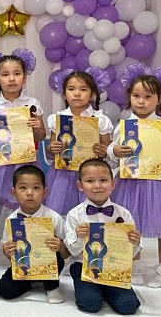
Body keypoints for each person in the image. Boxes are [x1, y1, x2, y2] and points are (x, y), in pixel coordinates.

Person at [108, 64, 161, 288]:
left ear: (159, 99)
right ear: (129, 97)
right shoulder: (122, 127)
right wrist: (114, 151)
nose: (141, 101)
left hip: (159, 184)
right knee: (130, 225)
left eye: (148, 96)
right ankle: (133, 265)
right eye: (136, 96)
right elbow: (112, 157)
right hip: (130, 183)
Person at [0, 49, 46, 239]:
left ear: (25, 77)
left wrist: (36, 127)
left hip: (24, 160)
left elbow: (41, 135)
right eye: (5, 74)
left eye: (17, 73)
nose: (12, 79)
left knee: (23, 200)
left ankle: (19, 240)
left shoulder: (32, 103)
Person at [65, 159, 141, 315]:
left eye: (103, 180)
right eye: (90, 181)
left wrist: (135, 242)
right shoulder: (74, 215)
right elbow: (73, 252)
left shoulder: (124, 214)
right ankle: (94, 290)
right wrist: (78, 237)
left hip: (114, 267)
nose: (97, 185)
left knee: (129, 306)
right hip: (83, 266)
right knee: (90, 303)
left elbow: (131, 254)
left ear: (113, 184)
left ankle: (106, 289)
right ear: (80, 185)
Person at [0, 165, 68, 304]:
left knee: (57, 255)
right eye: (23, 188)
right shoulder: (11, 220)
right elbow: (9, 254)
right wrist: (6, 251)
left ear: (45, 192)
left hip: (48, 266)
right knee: (4, 290)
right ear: (13, 192)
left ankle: (51, 286)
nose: (29, 193)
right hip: (23, 265)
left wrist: (61, 246)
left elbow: (65, 255)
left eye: (36, 188)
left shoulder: (54, 218)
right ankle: (32, 282)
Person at [45, 68, 113, 216]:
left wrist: (103, 151)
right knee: (60, 215)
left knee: (89, 215)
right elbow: (50, 150)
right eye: (71, 89)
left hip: (91, 175)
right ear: (64, 94)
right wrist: (52, 148)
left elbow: (108, 151)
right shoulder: (58, 119)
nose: (77, 93)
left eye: (83, 89)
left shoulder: (100, 120)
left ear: (92, 94)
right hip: (63, 175)